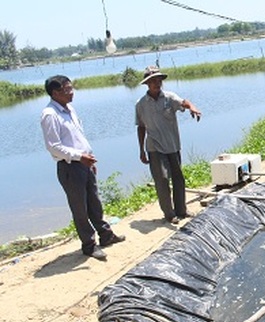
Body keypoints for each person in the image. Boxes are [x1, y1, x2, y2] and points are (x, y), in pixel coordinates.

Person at [40, 75, 125, 260]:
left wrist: (88, 159)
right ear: (55, 93)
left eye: (71, 88)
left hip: (84, 163)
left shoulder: (69, 109)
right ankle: (89, 245)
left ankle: (106, 235)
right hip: (70, 166)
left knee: (94, 202)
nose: (71, 92)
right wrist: (80, 157)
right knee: (80, 208)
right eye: (67, 89)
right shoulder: (50, 115)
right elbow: (53, 146)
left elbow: (78, 137)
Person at [136, 66, 202, 224]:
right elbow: (141, 127)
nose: (157, 84)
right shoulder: (141, 104)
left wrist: (192, 107)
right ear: (147, 84)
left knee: (178, 178)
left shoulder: (169, 98)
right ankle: (169, 213)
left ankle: (182, 210)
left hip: (172, 144)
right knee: (162, 179)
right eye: (153, 81)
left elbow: (183, 102)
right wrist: (141, 151)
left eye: (159, 81)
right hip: (154, 147)